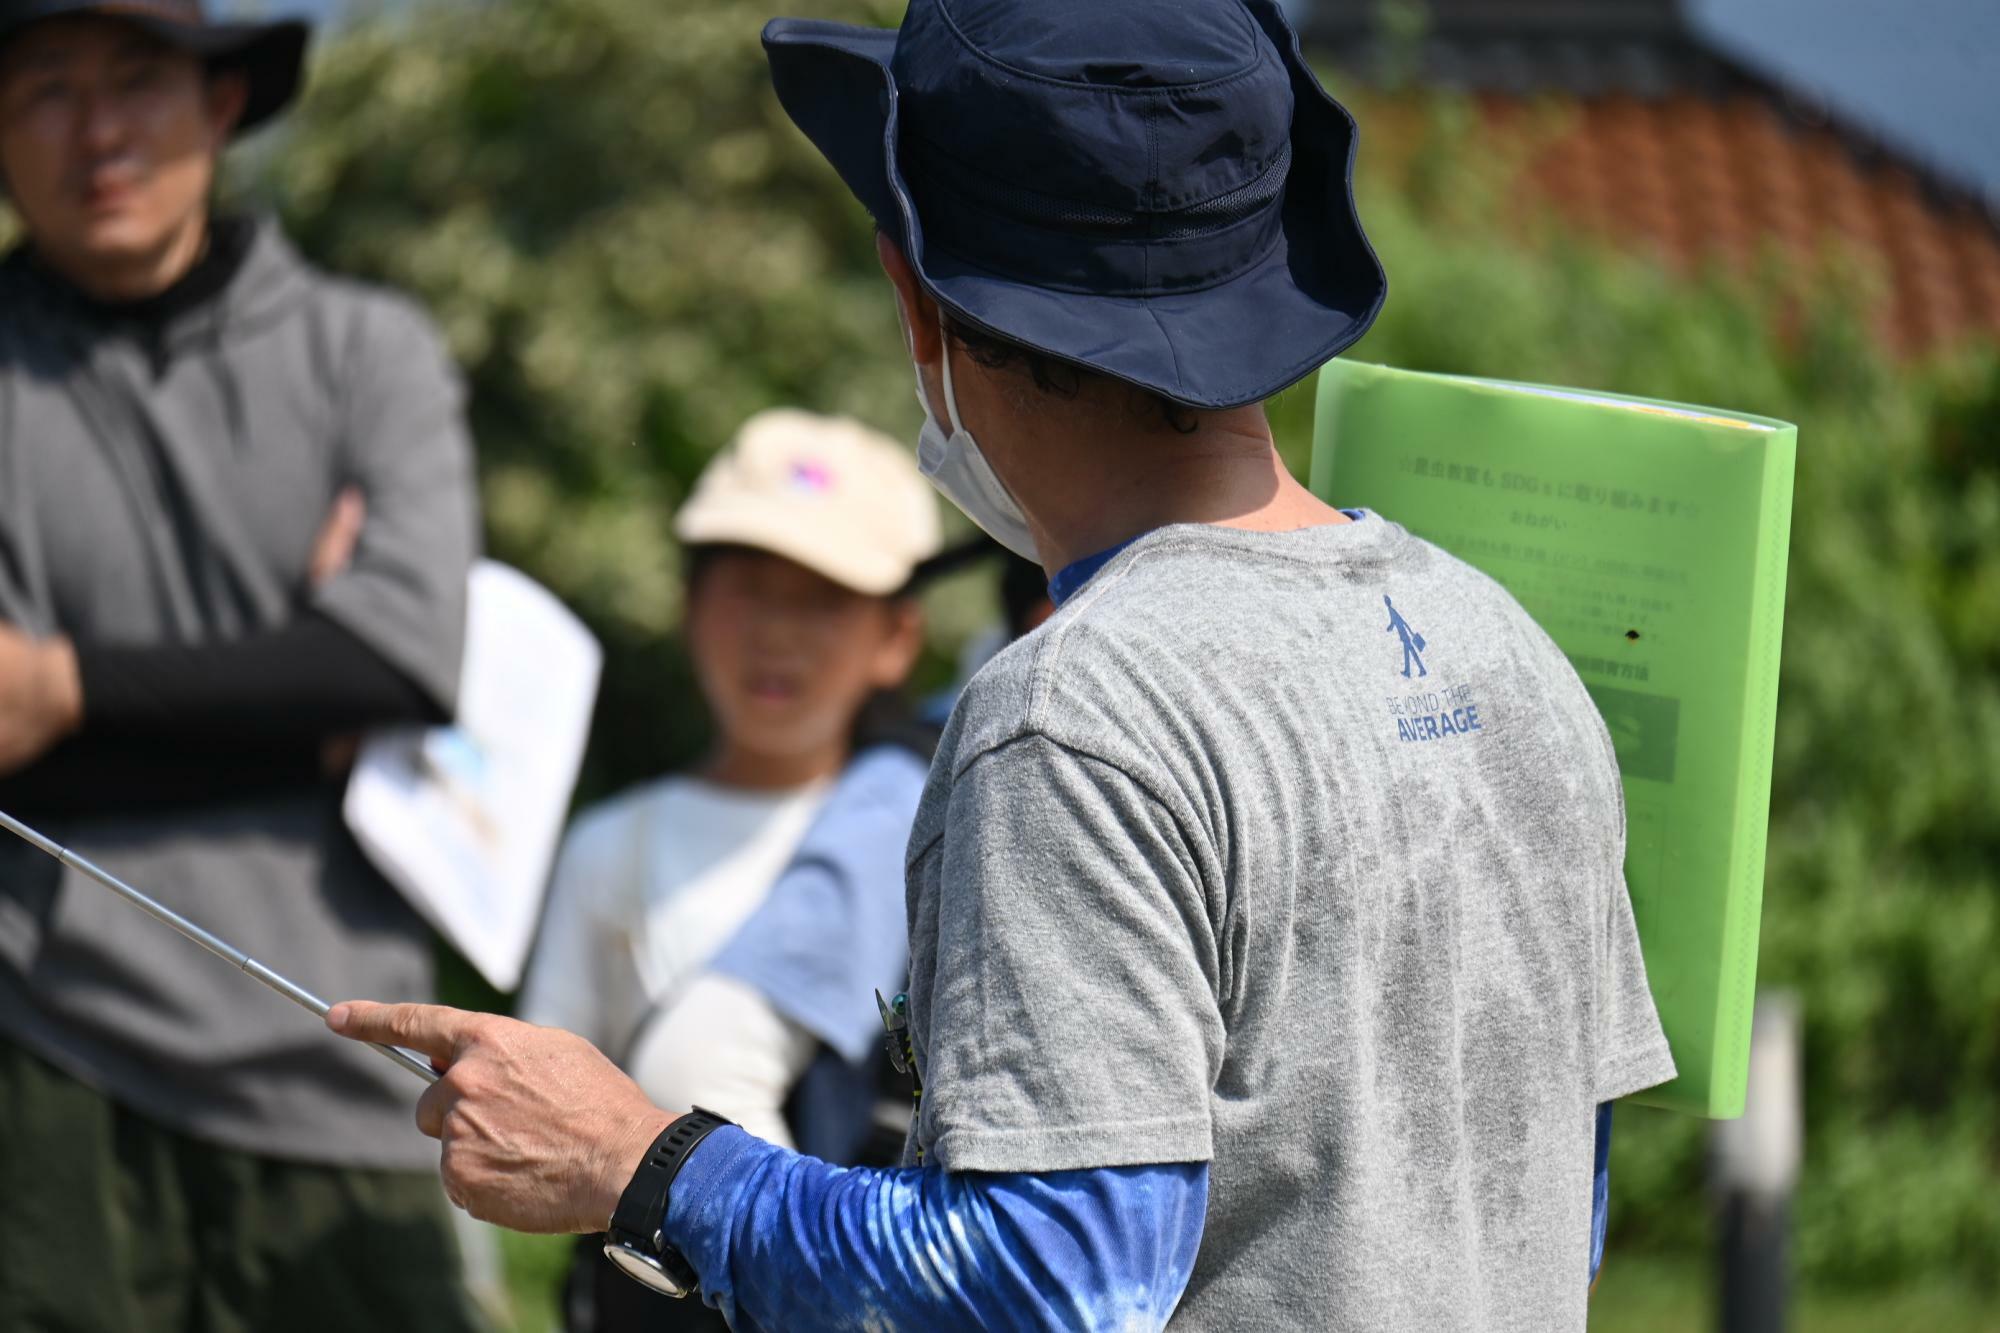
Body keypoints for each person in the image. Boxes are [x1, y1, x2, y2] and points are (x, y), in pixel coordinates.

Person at [327, 1, 1676, 1330]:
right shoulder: (1510, 650)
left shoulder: (1074, 716)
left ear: (915, 299)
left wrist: (641, 1166)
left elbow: (1051, 1285)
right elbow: (1572, 1204)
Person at [0, 2, 487, 1327]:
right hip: (40, 1065)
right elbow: (346, 672)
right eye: (45, 87)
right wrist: (294, 688)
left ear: (220, 102)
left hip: (346, 1050)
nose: (97, 129)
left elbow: (401, 656)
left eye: (137, 78)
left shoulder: (369, 351)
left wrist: (60, 690)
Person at [515, 409, 939, 1331]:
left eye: (823, 599)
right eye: (748, 587)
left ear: (896, 637)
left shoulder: (930, 834)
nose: (777, 632)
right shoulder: (610, 846)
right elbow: (546, 1107)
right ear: (690, 603)